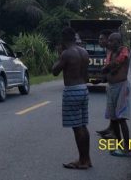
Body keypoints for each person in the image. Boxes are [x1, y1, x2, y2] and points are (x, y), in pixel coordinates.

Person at [52, 27, 92, 170]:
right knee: (83, 125)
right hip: (83, 89)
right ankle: (86, 159)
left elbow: (55, 71)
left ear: (64, 39)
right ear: (74, 37)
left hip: (72, 91)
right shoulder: (84, 52)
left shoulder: (67, 54)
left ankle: (82, 161)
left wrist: (59, 55)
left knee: (77, 128)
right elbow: (86, 76)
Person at [104, 33, 131, 157]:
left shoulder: (124, 51)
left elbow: (117, 63)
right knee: (113, 118)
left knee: (121, 118)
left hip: (121, 87)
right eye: (108, 41)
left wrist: (107, 68)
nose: (108, 43)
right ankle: (119, 145)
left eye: (111, 41)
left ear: (118, 42)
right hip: (111, 87)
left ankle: (127, 148)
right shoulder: (110, 53)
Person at [95, 29, 115, 139]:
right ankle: (110, 128)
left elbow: (113, 67)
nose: (99, 41)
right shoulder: (108, 51)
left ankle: (114, 133)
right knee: (111, 109)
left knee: (116, 111)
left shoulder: (114, 51)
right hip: (111, 84)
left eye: (101, 39)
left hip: (117, 85)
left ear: (109, 40)